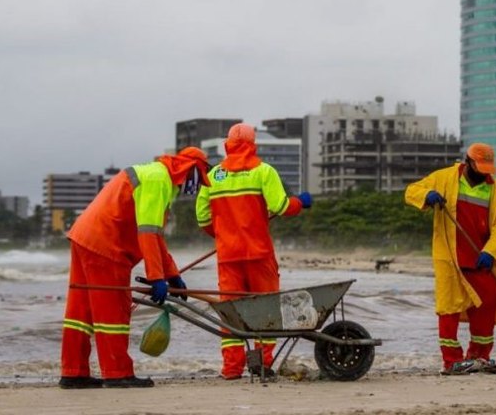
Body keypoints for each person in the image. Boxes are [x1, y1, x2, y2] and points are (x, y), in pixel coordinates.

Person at [60, 147, 212, 389]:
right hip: (107, 246)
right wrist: (156, 277)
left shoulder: (157, 176)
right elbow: (149, 233)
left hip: (85, 237)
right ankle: (117, 373)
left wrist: (171, 275)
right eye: (198, 180)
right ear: (189, 169)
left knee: (81, 312)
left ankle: (73, 372)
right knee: (113, 312)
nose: (195, 188)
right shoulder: (158, 180)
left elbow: (156, 236)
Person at [196, 123, 313, 380]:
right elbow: (280, 206)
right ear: (252, 144)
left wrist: (222, 236)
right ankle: (261, 364)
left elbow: (202, 217)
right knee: (267, 309)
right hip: (259, 254)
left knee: (231, 312)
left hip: (228, 257)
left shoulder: (214, 176)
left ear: (227, 144)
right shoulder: (263, 171)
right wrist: (300, 202)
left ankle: (231, 369)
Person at [404, 143, 496, 375]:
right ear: (468, 162)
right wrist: (427, 195)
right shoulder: (444, 177)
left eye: (487, 168)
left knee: (488, 302)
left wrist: (491, 251)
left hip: (480, 258)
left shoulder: (495, 189)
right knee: (448, 308)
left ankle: (479, 357)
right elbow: (411, 191)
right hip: (450, 258)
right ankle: (452, 361)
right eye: (480, 166)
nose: (484, 172)